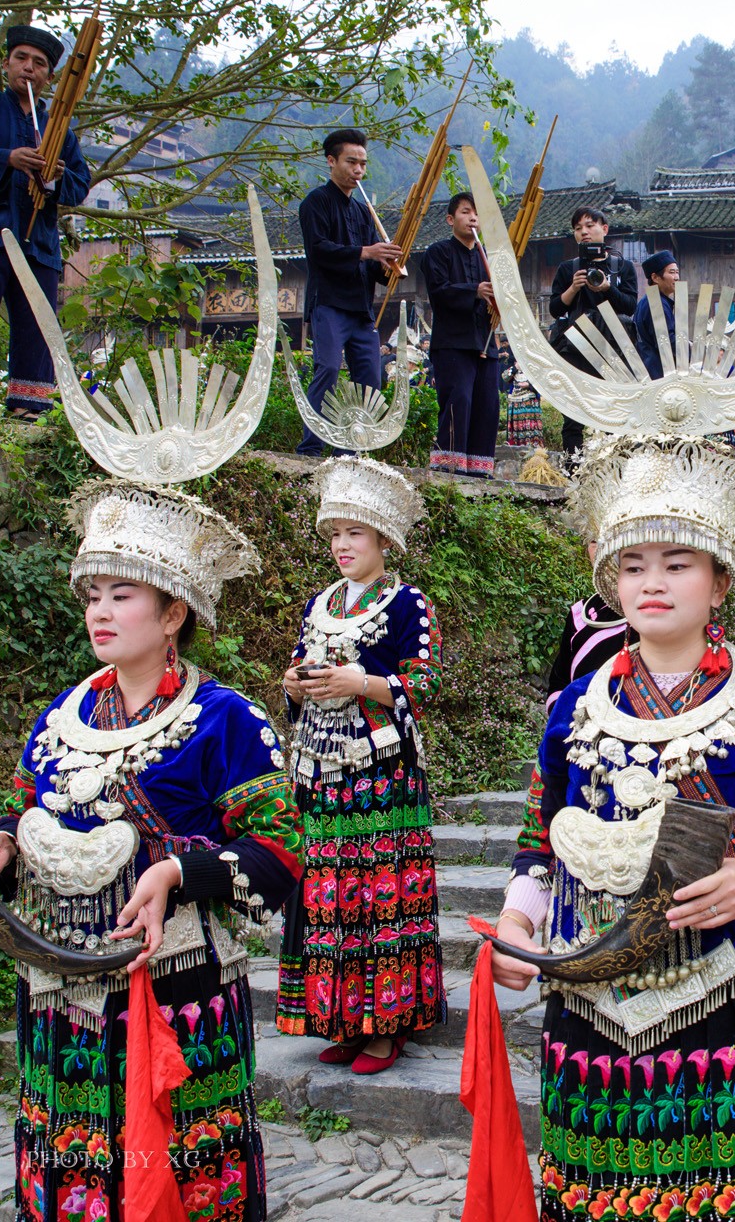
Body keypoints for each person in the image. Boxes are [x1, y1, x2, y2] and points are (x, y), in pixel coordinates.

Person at [491, 435, 735, 1220]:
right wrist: (521, 919)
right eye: (633, 565)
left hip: (720, 998)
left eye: (677, 563)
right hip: (587, 999)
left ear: (721, 582)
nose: (652, 582)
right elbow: (536, 841)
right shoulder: (573, 710)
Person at [0, 460, 301, 1217]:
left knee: (180, 1164)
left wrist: (174, 873)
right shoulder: (61, 718)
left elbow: (279, 858)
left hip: (174, 992)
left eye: (121, 595)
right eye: (92, 595)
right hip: (58, 988)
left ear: (172, 615)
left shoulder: (225, 720)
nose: (100, 611)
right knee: (72, 1159)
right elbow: (22, 811)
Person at [276, 458, 448, 1071]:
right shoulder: (318, 604)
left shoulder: (408, 604)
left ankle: (388, 1024)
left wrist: (362, 681)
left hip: (382, 774)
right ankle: (343, 1016)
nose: (342, 546)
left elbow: (423, 685)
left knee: (380, 894)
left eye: (354, 533)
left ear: (382, 539)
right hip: (323, 769)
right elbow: (296, 669)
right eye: (334, 534)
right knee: (332, 893)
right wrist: (295, 685)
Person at [0, 24, 92, 416]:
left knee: (37, 323)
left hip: (39, 241)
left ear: (50, 76)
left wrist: (56, 178)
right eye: (21, 58)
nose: (29, 68)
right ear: (6, 63)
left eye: (39, 63)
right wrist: (7, 159)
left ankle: (28, 405)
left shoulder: (63, 134)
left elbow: (79, 185)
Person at [296, 128, 404, 456]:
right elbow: (318, 250)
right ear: (331, 161)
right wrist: (367, 252)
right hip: (328, 302)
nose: (359, 170)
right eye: (351, 162)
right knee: (327, 368)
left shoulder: (362, 212)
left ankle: (351, 450)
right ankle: (311, 447)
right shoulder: (315, 202)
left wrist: (388, 265)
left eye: (363, 164)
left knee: (371, 377)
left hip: (360, 308)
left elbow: (372, 267)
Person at [547, 206, 640, 464]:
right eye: (578, 229)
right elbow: (556, 308)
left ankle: (613, 467)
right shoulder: (569, 268)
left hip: (613, 348)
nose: (584, 232)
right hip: (577, 346)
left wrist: (607, 287)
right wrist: (573, 289)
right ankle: (573, 472)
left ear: (604, 229)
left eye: (589, 226)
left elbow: (630, 306)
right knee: (574, 414)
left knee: (612, 410)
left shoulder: (622, 267)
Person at [422, 192, 500, 477]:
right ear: (450, 219)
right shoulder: (438, 253)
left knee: (488, 404)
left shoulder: (487, 257)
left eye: (476, 213)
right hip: (453, 343)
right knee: (459, 402)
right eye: (466, 212)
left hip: (486, 342)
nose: (473, 218)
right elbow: (439, 292)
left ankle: (480, 471)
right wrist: (475, 291)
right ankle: (449, 471)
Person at [542, 543, 633, 712]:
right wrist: (565, 720)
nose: (599, 549)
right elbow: (559, 680)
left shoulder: (652, 614)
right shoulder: (581, 612)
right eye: (593, 542)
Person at [632, 250, 682, 377]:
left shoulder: (648, 301)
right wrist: (693, 348)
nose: (677, 277)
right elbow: (666, 342)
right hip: (658, 374)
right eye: (671, 272)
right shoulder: (656, 304)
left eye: (677, 272)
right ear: (655, 278)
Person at [505, 366, 543, 450]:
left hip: (530, 402)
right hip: (515, 402)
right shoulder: (515, 367)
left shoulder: (533, 366)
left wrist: (529, 385)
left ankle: (533, 450)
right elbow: (505, 377)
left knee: (530, 428)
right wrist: (515, 368)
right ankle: (515, 449)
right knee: (516, 429)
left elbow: (542, 382)